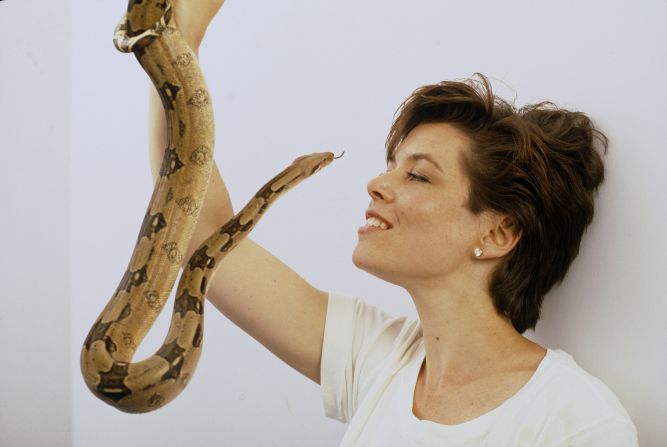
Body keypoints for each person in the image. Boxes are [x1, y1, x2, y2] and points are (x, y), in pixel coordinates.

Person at [149, 1, 638, 445]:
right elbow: (199, 236)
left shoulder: (577, 420)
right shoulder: (382, 359)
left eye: (419, 176)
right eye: (391, 166)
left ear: (497, 234)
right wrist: (177, 47)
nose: (376, 185)